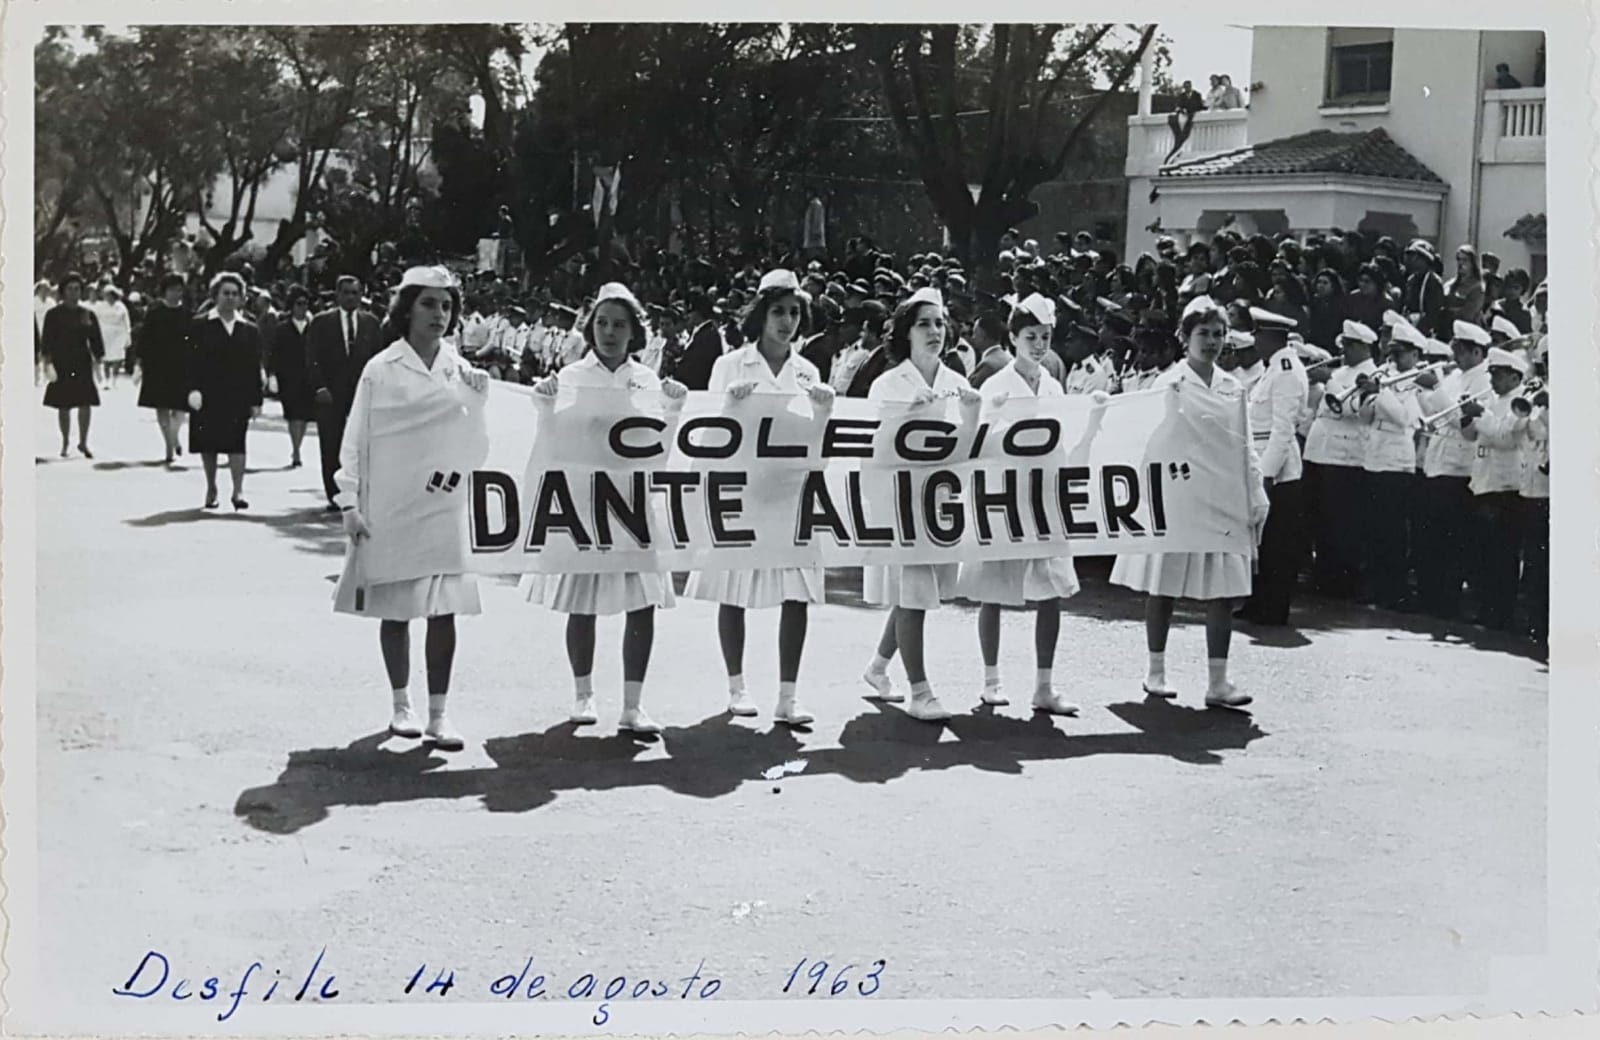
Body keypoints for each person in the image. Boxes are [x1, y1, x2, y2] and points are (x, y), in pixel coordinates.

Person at [333, 266, 491, 751]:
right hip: (392, 502)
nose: (439, 315)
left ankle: (440, 714)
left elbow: (476, 443)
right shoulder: (381, 368)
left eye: (446, 306)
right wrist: (349, 501)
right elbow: (355, 438)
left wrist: (478, 398)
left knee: (444, 610)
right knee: (397, 607)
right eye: (428, 304)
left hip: (442, 502)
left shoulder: (460, 369)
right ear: (407, 308)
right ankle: (402, 704)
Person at [526, 283, 688, 735]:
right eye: (602, 323)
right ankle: (583, 695)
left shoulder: (649, 380)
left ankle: (633, 705)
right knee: (584, 601)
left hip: (634, 503)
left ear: (635, 331)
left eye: (620, 324)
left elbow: (659, 452)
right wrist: (544, 405)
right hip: (586, 502)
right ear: (590, 327)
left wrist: (673, 410)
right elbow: (554, 441)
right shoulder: (572, 376)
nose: (610, 332)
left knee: (643, 603)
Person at [685, 270, 835, 725]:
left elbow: (818, 450)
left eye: (794, 313)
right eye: (778, 312)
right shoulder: (730, 365)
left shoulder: (808, 372)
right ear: (761, 314)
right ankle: (737, 687)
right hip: (741, 491)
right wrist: (728, 407)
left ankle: (788, 696)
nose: (786, 322)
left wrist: (825, 411)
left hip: (789, 495)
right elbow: (707, 438)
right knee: (734, 588)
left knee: (797, 591)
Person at [1110, 301, 1267, 709]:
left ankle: (1218, 682)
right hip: (1178, 495)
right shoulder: (1168, 383)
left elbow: (1245, 446)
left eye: (1218, 335)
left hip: (1224, 497)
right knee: (1164, 584)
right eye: (1204, 335)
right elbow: (1145, 438)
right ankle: (1156, 671)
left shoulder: (1235, 388)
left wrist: (1257, 493)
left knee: (1224, 589)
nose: (1212, 343)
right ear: (1185, 337)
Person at [953, 294, 1081, 715]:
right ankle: (991, 681)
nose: (1039, 345)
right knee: (993, 590)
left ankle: (1044, 686)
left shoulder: (1054, 384)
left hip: (1044, 497)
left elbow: (1066, 439)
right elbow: (979, 443)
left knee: (1051, 590)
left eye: (1045, 337)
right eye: (1031, 337)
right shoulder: (996, 386)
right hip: (1004, 497)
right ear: (1012, 338)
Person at [859, 287, 982, 722]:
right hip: (898, 505)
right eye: (925, 323)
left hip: (941, 505)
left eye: (940, 323)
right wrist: (904, 415)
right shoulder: (887, 384)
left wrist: (971, 420)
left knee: (919, 592)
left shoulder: (958, 384)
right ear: (906, 333)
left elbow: (966, 453)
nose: (935, 331)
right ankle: (920, 690)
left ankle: (877, 668)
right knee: (913, 593)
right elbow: (869, 450)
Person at [1412, 320, 1493, 620]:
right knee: (1431, 538)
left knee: (1453, 541)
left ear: (1476, 351)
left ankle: (1448, 602)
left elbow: (1464, 424)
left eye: (1460, 350)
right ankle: (1430, 598)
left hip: (1461, 467)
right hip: (1437, 461)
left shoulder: (1484, 379)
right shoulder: (1455, 376)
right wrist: (1424, 392)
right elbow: (1434, 414)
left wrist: (1436, 389)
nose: (1455, 355)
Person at [1237, 308, 1308, 626]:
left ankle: (1274, 607)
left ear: (1269, 337)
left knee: (1278, 542)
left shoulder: (1287, 371)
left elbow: (1283, 428)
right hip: (1261, 461)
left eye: (1257, 335)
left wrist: (1267, 473)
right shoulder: (1273, 369)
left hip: (1280, 471)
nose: (1254, 341)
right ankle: (1258, 601)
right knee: (1262, 540)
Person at [1302, 320, 1378, 599]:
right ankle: (1323, 574)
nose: (1343, 351)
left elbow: (1354, 410)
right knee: (1321, 518)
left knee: (1342, 523)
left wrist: (1329, 380)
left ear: (1362, 347)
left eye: (1347, 346)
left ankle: (1342, 581)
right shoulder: (1343, 370)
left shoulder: (1371, 373)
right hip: (1321, 450)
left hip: (1346, 455)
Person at [1357, 321, 1429, 610]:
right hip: (1375, 457)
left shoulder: (1417, 382)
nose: (1393, 360)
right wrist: (1367, 396)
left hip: (1398, 462)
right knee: (1374, 529)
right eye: (1392, 353)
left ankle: (1394, 591)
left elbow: (1403, 418)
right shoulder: (1385, 377)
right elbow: (1365, 418)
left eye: (1399, 354)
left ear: (1414, 354)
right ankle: (1375, 586)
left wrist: (1381, 392)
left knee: (1393, 532)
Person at [1461, 346, 1530, 631]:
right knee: (1484, 553)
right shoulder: (1491, 400)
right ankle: (1486, 608)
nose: (1492, 381)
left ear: (1515, 377)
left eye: (1498, 375)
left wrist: (1483, 414)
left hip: (1506, 485)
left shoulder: (1520, 402)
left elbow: (1505, 437)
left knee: (1502, 554)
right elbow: (1469, 436)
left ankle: (1501, 613)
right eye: (1491, 374)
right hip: (1484, 482)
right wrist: (1467, 415)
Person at [186, 273, 265, 510]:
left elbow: (254, 365)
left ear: (241, 298)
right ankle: (211, 487)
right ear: (215, 296)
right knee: (208, 443)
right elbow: (189, 360)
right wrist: (192, 389)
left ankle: (238, 490)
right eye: (225, 293)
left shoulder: (249, 329)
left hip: (237, 395)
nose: (230, 298)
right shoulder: (200, 324)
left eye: (234, 294)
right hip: (207, 394)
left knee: (236, 443)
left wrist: (256, 400)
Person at [307, 275, 383, 511]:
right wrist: (319, 387)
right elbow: (311, 358)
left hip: (362, 393)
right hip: (330, 393)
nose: (351, 297)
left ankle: (360, 491)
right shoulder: (321, 322)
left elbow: (379, 359)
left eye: (355, 292)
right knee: (331, 443)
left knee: (362, 443)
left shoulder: (371, 322)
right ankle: (334, 494)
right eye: (346, 292)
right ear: (338, 295)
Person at [40, 271, 104, 458]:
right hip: (61, 361)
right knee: (64, 404)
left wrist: (98, 358)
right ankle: (65, 440)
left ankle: (83, 441)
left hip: (82, 361)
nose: (74, 292)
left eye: (77, 289)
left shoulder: (86, 314)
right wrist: (47, 362)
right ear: (63, 291)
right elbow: (47, 340)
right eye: (70, 289)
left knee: (85, 403)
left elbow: (95, 338)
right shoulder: (54, 314)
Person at [136, 273, 195, 464]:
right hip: (157, 365)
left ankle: (174, 436)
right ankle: (169, 446)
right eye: (171, 290)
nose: (175, 293)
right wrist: (139, 363)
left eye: (178, 290)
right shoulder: (155, 312)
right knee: (161, 406)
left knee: (180, 409)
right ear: (165, 291)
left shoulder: (188, 314)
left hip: (182, 365)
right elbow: (144, 339)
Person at [269, 285, 318, 469]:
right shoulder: (282, 328)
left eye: (305, 304)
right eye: (299, 304)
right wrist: (272, 374)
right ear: (292, 306)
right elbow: (274, 352)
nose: (302, 307)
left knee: (304, 415)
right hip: (288, 377)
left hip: (307, 377)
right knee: (292, 415)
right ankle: (295, 448)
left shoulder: (314, 328)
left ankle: (298, 447)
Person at [93, 285, 134, 389]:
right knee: (106, 358)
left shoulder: (121, 306)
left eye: (110, 295)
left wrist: (127, 333)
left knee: (118, 357)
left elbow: (126, 321)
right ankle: (106, 380)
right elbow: (96, 320)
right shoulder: (100, 306)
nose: (108, 297)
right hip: (105, 333)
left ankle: (113, 379)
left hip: (118, 333)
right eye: (107, 295)